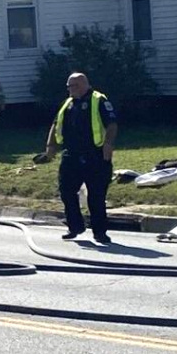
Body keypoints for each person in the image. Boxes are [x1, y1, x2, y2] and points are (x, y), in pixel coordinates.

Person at [44, 72, 118, 244]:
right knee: (66, 191)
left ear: (83, 85)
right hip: (71, 155)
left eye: (73, 86)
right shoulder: (68, 104)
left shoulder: (98, 100)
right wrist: (50, 148)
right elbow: (56, 125)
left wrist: (108, 145)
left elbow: (112, 124)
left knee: (96, 196)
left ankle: (100, 232)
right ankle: (75, 226)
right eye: (68, 86)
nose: (70, 89)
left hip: (95, 155)